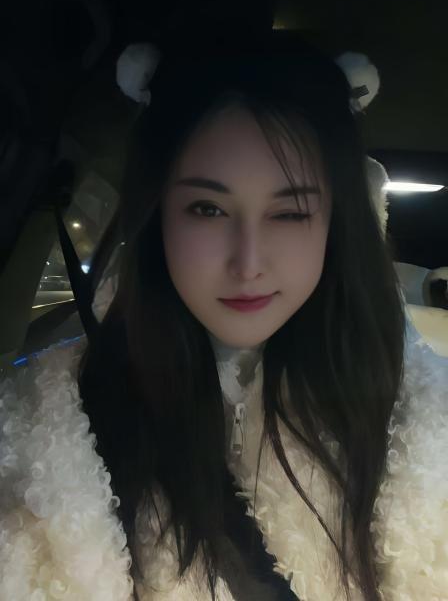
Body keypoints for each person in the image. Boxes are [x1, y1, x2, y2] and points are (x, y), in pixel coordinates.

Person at [1, 39, 447, 601]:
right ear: (157, 215)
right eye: (207, 209)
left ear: (337, 222)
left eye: (290, 212)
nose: (248, 263)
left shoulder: (420, 411)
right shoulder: (48, 419)